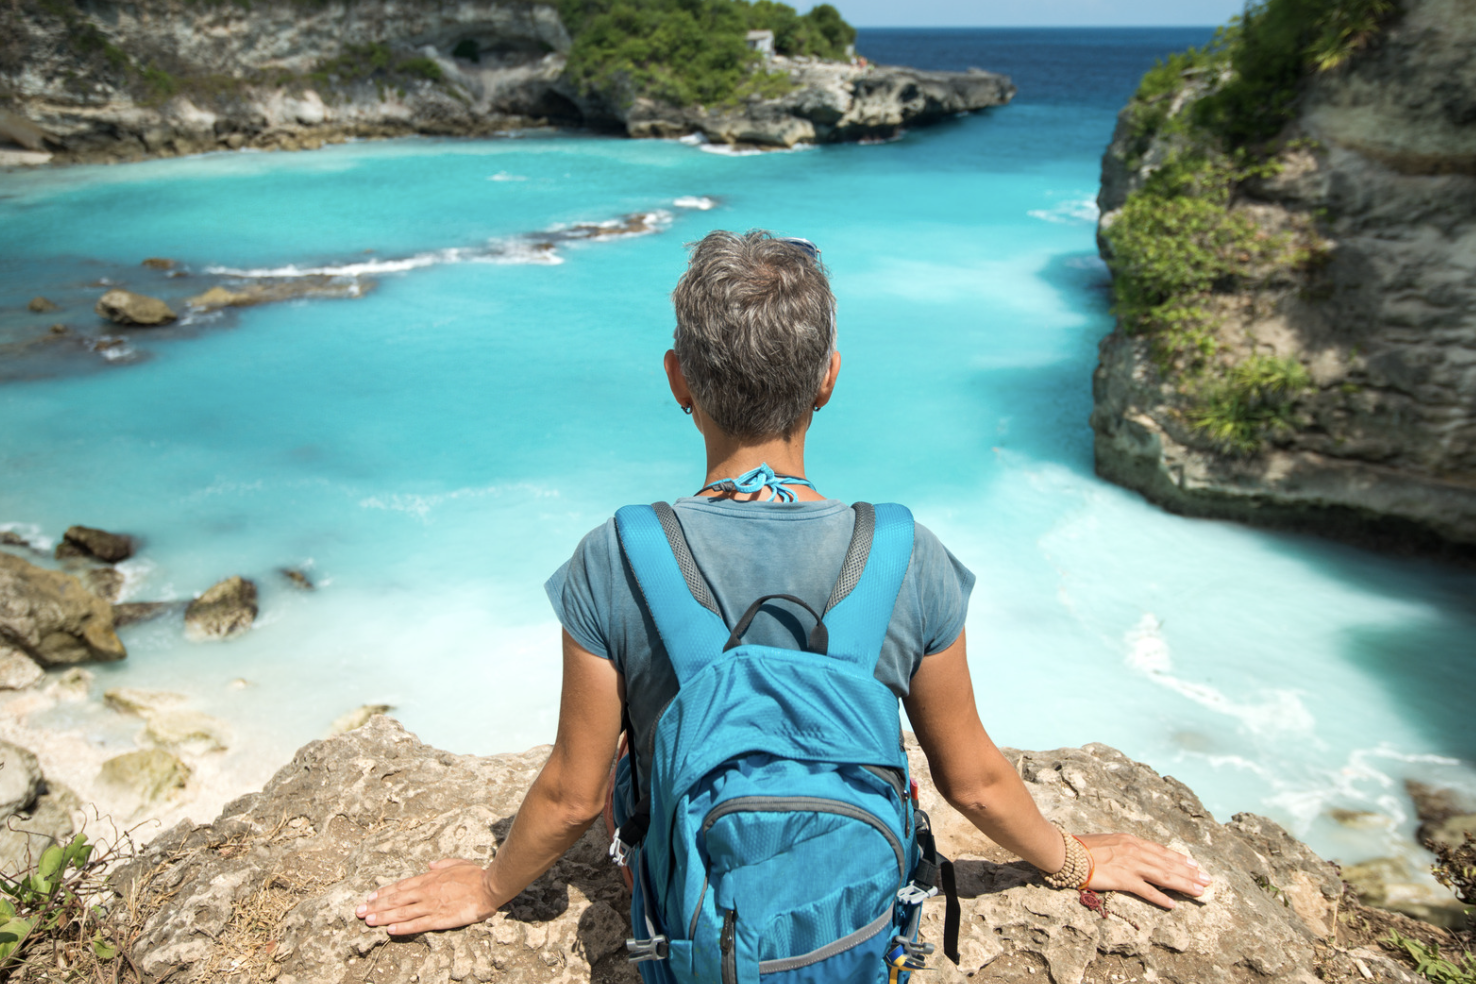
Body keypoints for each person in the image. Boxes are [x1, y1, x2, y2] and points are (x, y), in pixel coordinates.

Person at [355, 229, 1210, 942]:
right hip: (850, 926)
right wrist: (1076, 860)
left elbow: (573, 796)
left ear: (677, 378)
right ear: (829, 376)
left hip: (698, 928)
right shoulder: (907, 553)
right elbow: (974, 779)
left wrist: (490, 888)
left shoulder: (616, 553)